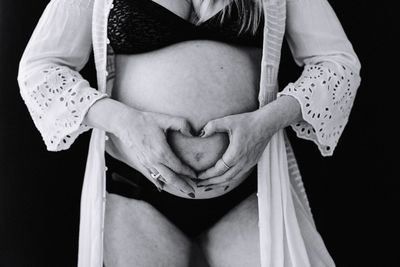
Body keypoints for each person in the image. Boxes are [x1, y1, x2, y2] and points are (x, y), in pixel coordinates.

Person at [17, 0, 361, 266]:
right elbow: (42, 68)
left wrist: (265, 123)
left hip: (248, 191)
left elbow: (338, 63)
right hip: (137, 192)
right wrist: (127, 123)